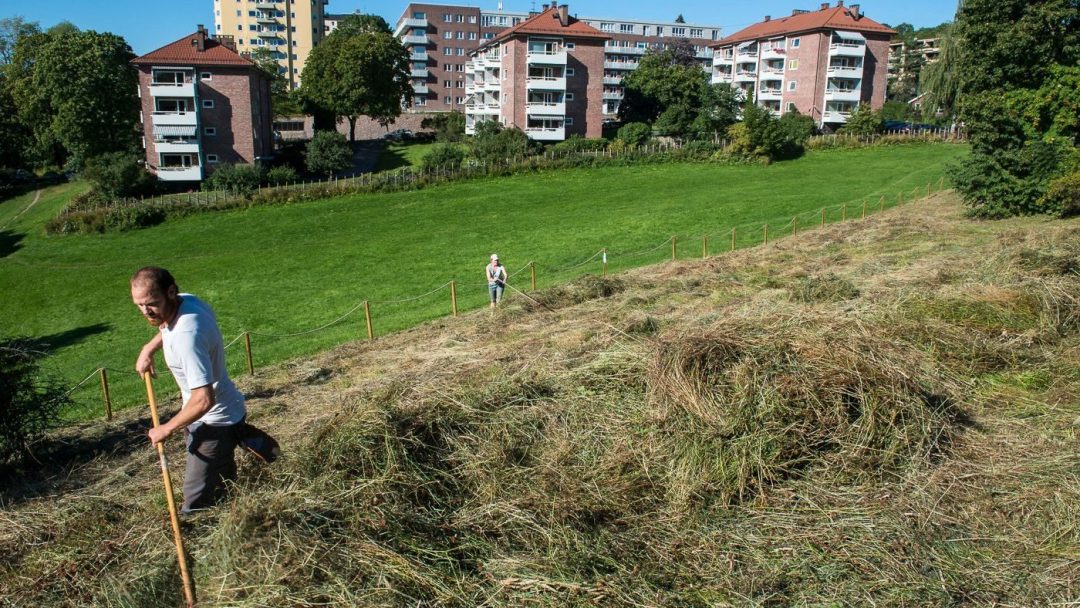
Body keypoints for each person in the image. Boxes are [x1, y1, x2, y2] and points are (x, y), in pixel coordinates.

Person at [131, 266, 249, 514]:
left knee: (195, 498)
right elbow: (166, 326)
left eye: (151, 303)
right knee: (222, 476)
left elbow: (204, 399)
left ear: (171, 292)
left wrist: (166, 428)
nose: (145, 312)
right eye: (139, 305)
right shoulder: (188, 302)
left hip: (213, 421)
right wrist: (148, 349)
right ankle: (233, 509)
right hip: (220, 411)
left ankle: (204, 536)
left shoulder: (187, 336)